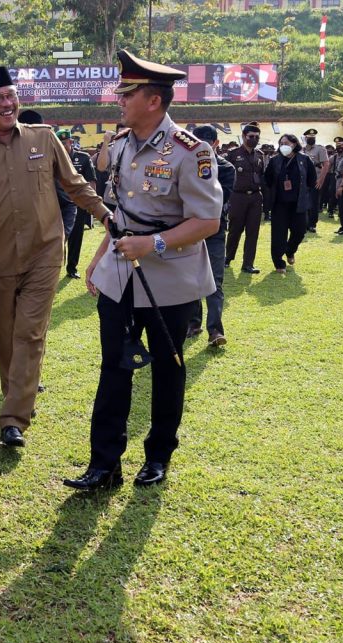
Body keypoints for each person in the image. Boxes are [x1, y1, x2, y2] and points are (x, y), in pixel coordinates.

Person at [63, 50, 221, 492]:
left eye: (127, 93)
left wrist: (152, 243)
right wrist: (98, 258)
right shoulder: (119, 146)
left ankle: (158, 456)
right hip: (120, 273)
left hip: (170, 277)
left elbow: (207, 221)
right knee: (114, 366)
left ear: (153, 100)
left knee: (167, 369)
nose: (119, 99)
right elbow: (120, 216)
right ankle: (104, 464)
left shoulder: (192, 151)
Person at [0, 66, 111, 449]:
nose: (7, 104)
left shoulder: (44, 138)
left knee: (30, 332)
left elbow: (74, 184)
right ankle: (18, 393)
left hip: (44, 253)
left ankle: (13, 418)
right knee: (4, 338)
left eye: (10, 96)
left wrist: (105, 214)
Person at [186, 125, 233, 347]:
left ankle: (215, 330)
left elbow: (220, 202)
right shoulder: (185, 166)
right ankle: (194, 323)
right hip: (188, 230)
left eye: (207, 142)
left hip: (213, 229)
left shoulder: (226, 169)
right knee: (191, 277)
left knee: (215, 280)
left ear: (215, 143)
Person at [264, 134, 316, 273]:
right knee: (278, 234)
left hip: (298, 203)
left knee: (300, 231)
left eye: (286, 143)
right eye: (281, 143)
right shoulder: (275, 160)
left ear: (294, 144)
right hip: (279, 203)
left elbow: (311, 179)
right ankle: (278, 262)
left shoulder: (304, 160)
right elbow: (267, 179)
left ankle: (290, 250)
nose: (283, 146)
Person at [224, 122, 266, 274]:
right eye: (250, 136)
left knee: (253, 231)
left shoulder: (260, 155)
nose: (253, 139)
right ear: (243, 136)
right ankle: (228, 258)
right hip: (237, 196)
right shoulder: (233, 154)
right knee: (235, 229)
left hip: (255, 197)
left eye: (256, 137)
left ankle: (248, 263)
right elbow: (226, 175)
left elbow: (262, 176)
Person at [58, 130, 95, 279]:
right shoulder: (53, 158)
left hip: (78, 204)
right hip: (58, 205)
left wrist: (92, 204)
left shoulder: (83, 158)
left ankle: (72, 268)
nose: (62, 147)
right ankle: (55, 266)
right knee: (57, 237)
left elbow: (91, 182)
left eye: (64, 143)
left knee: (75, 236)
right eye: (59, 144)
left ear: (71, 143)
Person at [301, 128, 329, 233]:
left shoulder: (320, 149)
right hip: (302, 181)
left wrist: (321, 180)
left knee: (313, 203)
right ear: (306, 138)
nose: (312, 139)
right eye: (309, 137)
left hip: (315, 181)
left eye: (313, 137)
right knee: (303, 202)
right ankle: (303, 223)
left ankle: (312, 224)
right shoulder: (301, 149)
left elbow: (326, 164)